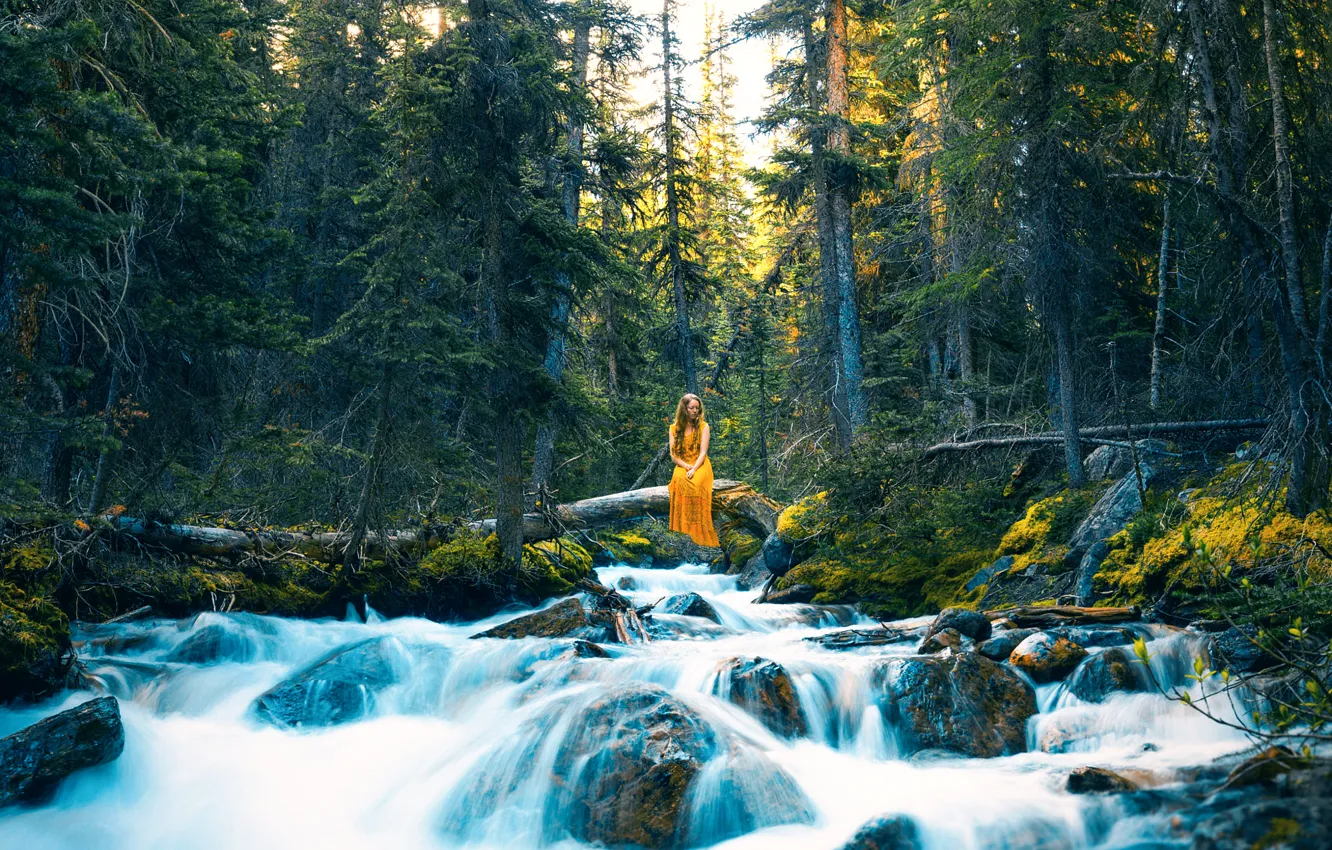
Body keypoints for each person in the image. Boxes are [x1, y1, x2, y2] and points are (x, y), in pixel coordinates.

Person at [667, 393, 720, 547]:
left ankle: (698, 533)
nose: (695, 411)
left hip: (700, 464)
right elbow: (673, 456)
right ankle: (683, 531)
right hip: (683, 464)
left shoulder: (704, 426)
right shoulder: (674, 428)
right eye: (691, 408)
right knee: (680, 481)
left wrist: (694, 468)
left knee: (695, 484)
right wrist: (685, 466)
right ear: (684, 409)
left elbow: (703, 453)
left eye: (697, 408)